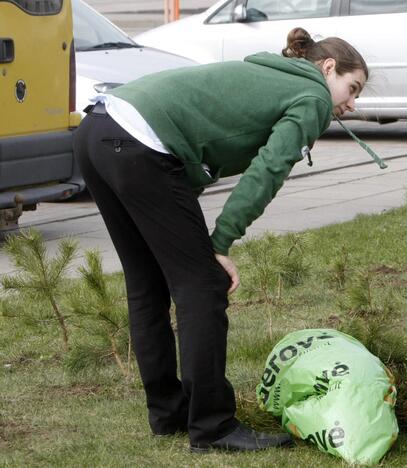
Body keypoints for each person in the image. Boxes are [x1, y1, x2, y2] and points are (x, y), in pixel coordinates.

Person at [72, 28, 376, 453]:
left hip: (97, 131)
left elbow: (198, 141)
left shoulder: (273, 74)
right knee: (203, 285)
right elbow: (267, 171)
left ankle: (168, 414)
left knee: (147, 283)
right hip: (137, 144)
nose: (351, 103)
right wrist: (219, 243)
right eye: (352, 87)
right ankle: (212, 427)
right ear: (328, 68)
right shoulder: (313, 98)